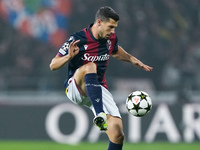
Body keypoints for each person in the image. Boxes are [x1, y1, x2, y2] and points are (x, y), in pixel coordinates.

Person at [50, 6, 153, 150]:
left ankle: (101, 116)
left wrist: (132, 59)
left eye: (115, 27)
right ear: (99, 22)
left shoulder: (110, 38)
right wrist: (68, 56)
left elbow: (115, 51)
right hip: (76, 87)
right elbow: (53, 65)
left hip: (97, 89)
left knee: (117, 134)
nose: (113, 31)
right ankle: (100, 115)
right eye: (110, 27)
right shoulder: (77, 38)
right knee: (90, 66)